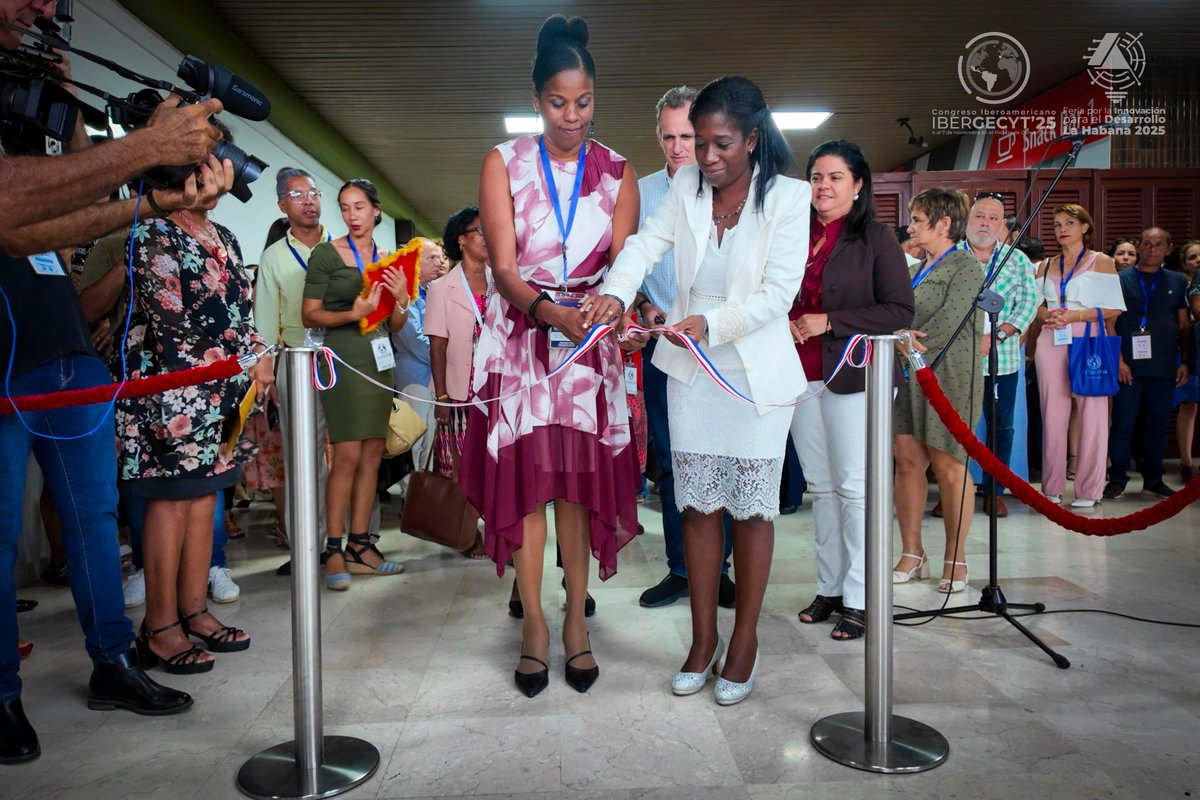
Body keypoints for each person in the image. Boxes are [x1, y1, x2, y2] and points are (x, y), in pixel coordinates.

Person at [594, 75, 810, 704]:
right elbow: (643, 245)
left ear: (751, 139)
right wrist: (616, 288)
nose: (705, 157)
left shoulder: (789, 199)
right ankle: (701, 639)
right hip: (691, 372)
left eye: (719, 145)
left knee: (751, 509)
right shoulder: (686, 187)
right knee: (697, 506)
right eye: (697, 143)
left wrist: (710, 324)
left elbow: (778, 294)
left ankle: (743, 642)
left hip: (752, 376)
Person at [461, 15, 640, 699]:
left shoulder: (619, 171)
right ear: (537, 99)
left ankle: (576, 623)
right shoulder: (502, 162)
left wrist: (615, 306)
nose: (574, 116)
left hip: (590, 346)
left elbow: (622, 265)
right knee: (530, 485)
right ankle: (534, 621)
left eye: (585, 101)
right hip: (522, 342)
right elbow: (504, 269)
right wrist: (549, 312)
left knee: (576, 484)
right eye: (559, 102)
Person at [116, 146, 273, 673]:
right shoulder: (153, 232)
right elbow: (169, 324)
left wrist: (257, 357)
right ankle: (159, 626)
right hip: (172, 391)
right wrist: (234, 365)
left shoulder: (223, 236)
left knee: (206, 497)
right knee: (170, 501)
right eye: (213, 160)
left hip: (221, 390)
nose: (227, 170)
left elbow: (239, 315)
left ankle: (194, 610)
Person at [788, 140, 914, 640]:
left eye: (835, 177)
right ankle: (831, 588)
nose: (823, 186)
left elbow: (900, 311)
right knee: (820, 488)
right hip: (797, 374)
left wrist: (830, 321)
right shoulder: (791, 234)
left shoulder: (876, 238)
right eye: (817, 176)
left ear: (858, 185)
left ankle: (862, 597)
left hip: (852, 373)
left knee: (855, 489)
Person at [630, 86, 737, 611]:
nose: (678, 148)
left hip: (722, 345)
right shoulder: (642, 192)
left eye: (687, 136)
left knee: (724, 457)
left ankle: (720, 570)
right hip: (661, 345)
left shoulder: (732, 189)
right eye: (669, 137)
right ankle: (681, 568)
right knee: (674, 462)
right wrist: (646, 307)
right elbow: (625, 265)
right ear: (658, 138)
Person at [302, 179, 411, 590]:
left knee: (372, 454)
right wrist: (354, 311)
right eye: (345, 208)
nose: (352, 215)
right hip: (344, 359)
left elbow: (395, 325)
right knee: (345, 455)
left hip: (381, 361)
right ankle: (333, 549)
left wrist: (401, 299)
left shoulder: (389, 259)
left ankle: (361, 545)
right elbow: (310, 314)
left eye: (360, 207)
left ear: (376, 210)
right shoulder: (326, 255)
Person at [891, 188, 982, 594]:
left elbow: (952, 320)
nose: (910, 227)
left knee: (949, 465)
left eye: (917, 220)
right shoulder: (913, 271)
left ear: (943, 224)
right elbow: (893, 315)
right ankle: (913, 554)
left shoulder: (966, 266)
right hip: (910, 373)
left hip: (951, 377)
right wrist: (898, 335)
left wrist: (906, 339)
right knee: (907, 461)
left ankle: (955, 558)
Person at [254, 167, 334, 573]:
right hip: (297, 361)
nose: (308, 201)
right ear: (282, 205)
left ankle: (353, 541)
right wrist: (265, 370)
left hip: (344, 361)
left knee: (352, 451)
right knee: (303, 458)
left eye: (314, 193)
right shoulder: (273, 257)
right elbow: (265, 321)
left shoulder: (341, 248)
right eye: (297, 195)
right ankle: (307, 547)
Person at [1033, 204, 1124, 508]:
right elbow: (1036, 307)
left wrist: (1075, 316)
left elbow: (1113, 309)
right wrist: (1048, 313)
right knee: (1053, 415)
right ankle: (1053, 486)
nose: (1062, 229)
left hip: (1088, 338)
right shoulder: (1044, 265)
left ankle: (1089, 489)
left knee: (1093, 415)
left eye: (1070, 222)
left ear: (1085, 227)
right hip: (1051, 340)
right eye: (1057, 224)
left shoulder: (1102, 262)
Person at [965, 193, 1038, 517]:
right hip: (959, 359)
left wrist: (997, 335)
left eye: (993, 218)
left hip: (1002, 359)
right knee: (954, 427)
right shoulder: (952, 256)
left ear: (1003, 225)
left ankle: (994, 491)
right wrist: (970, 338)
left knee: (1001, 428)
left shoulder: (1017, 260)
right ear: (968, 219)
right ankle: (957, 491)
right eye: (980, 216)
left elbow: (1029, 303)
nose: (985, 223)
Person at [1104, 227, 1190, 500]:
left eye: (1158, 244)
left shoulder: (1177, 281)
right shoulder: (1120, 279)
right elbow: (1110, 323)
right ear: (1139, 247)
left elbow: (1184, 326)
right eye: (1147, 244)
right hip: (1128, 365)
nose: (1152, 249)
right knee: (1123, 423)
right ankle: (1117, 478)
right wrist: (1118, 361)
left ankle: (1154, 478)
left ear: (1169, 248)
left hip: (1164, 365)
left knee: (1158, 423)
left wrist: (1186, 361)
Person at [425, 207, 491, 559]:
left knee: (499, 465)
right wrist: (442, 396)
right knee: (466, 467)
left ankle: (501, 532)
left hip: (500, 390)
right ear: (462, 240)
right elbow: (438, 346)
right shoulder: (442, 288)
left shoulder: (503, 280)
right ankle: (468, 533)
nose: (489, 236)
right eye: (481, 230)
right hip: (463, 392)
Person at [393, 239, 446, 473]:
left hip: (433, 376)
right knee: (411, 439)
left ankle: (424, 496)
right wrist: (444, 356)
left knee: (430, 442)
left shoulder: (429, 291)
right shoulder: (406, 293)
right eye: (432, 258)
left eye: (440, 257)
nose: (439, 263)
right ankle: (410, 496)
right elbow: (415, 340)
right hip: (414, 378)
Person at [1176, 240, 1200, 482]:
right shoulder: (1184, 287)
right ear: (1185, 264)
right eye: (1193, 257)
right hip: (1191, 349)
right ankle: (1186, 462)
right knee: (1189, 405)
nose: (1198, 261)